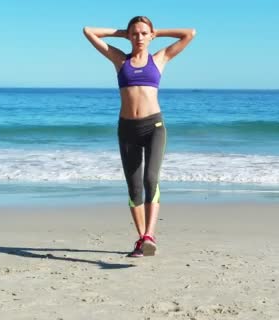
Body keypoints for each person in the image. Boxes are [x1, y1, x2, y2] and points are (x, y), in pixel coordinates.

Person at [83, 16, 196, 257]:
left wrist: (157, 31)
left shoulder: (159, 59)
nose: (139, 38)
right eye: (135, 34)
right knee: (134, 188)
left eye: (144, 33)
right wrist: (121, 33)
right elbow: (89, 31)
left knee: (150, 180)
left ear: (150, 35)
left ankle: (149, 235)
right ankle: (142, 238)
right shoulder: (119, 60)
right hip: (127, 129)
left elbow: (189, 33)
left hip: (153, 126)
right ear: (129, 35)